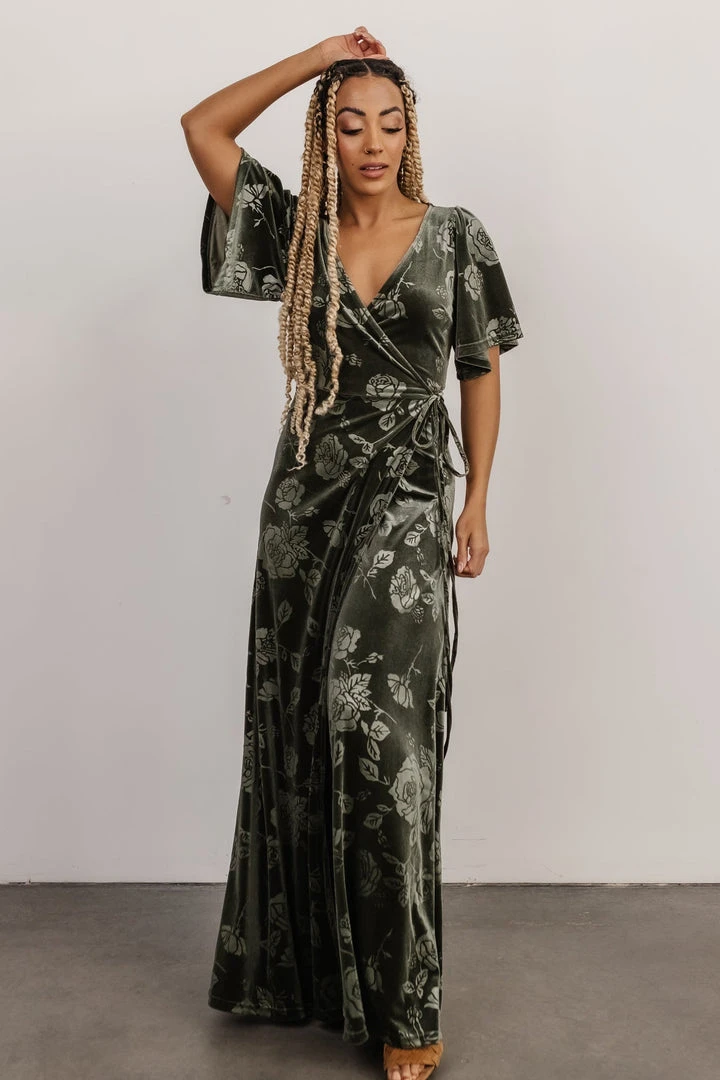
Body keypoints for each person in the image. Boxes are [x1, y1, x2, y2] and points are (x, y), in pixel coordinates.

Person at [181, 27, 524, 1080]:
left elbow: (479, 368)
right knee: (300, 727)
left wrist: (478, 500)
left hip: (410, 501)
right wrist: (319, 55)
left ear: (411, 132)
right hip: (303, 510)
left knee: (377, 726)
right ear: (325, 136)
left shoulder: (454, 235)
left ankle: (406, 1001)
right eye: (350, 123)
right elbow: (203, 128)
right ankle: (307, 978)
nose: (373, 141)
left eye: (389, 122)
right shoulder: (297, 231)